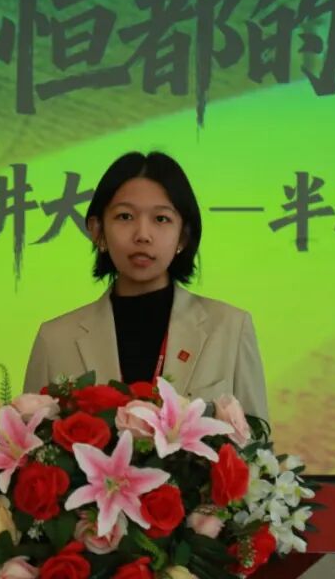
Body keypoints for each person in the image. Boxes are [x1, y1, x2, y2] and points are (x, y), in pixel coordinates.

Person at [22, 151, 270, 422]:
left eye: (161, 219)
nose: (142, 235)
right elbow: (32, 441)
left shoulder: (231, 328)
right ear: (97, 230)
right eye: (125, 217)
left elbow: (257, 441)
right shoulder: (55, 340)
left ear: (183, 236)